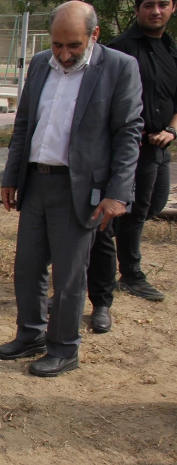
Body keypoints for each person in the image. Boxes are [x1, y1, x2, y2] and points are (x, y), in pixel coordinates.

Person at [0, 1, 143, 377]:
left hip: (82, 191)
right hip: (36, 181)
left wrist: (117, 193)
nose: (63, 54)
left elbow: (128, 133)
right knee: (27, 268)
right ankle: (31, 334)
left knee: (70, 275)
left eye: (73, 46)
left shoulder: (119, 68)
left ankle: (64, 348)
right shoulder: (41, 63)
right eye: (57, 44)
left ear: (94, 35)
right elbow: (25, 122)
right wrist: (11, 175)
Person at [86, 0, 176, 333]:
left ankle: (116, 271)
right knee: (112, 220)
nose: (156, 11)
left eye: (163, 4)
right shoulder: (120, 51)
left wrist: (171, 130)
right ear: (137, 10)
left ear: (173, 9)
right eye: (149, 5)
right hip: (126, 150)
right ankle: (118, 282)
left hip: (158, 147)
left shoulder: (170, 50)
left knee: (150, 206)